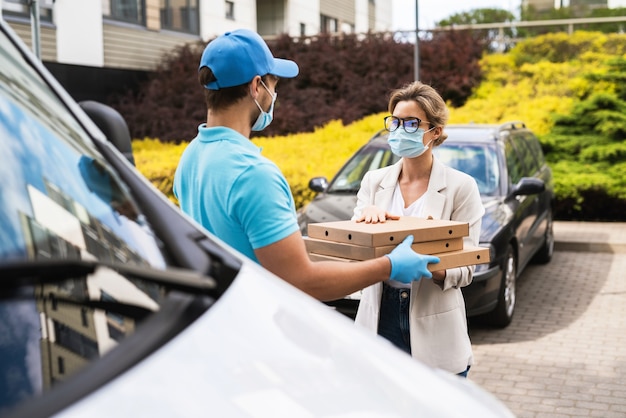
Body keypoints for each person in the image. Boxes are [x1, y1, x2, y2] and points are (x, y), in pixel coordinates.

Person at [173, 29, 440, 302]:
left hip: (220, 318)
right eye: (273, 83)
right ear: (256, 87)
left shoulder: (191, 158)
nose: (274, 93)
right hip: (259, 326)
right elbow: (303, 282)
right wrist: (390, 266)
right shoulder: (254, 175)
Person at [352, 81, 485, 377]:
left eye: (411, 123)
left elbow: (466, 270)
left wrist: (423, 261)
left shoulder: (461, 188)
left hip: (434, 320)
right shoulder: (374, 182)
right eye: (395, 122)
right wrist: (366, 221)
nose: (400, 130)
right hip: (380, 315)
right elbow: (356, 253)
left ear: (434, 132)